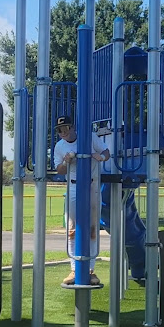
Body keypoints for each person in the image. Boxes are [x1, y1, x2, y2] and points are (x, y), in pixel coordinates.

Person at [54, 115, 110, 285]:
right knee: (72, 228)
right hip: (73, 186)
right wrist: (66, 162)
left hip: (92, 185)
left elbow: (106, 152)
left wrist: (101, 157)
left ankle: (90, 269)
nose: (63, 132)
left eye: (66, 128)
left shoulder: (90, 137)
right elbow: (59, 170)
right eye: (59, 130)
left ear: (72, 127)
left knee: (92, 227)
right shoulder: (60, 146)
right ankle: (74, 269)